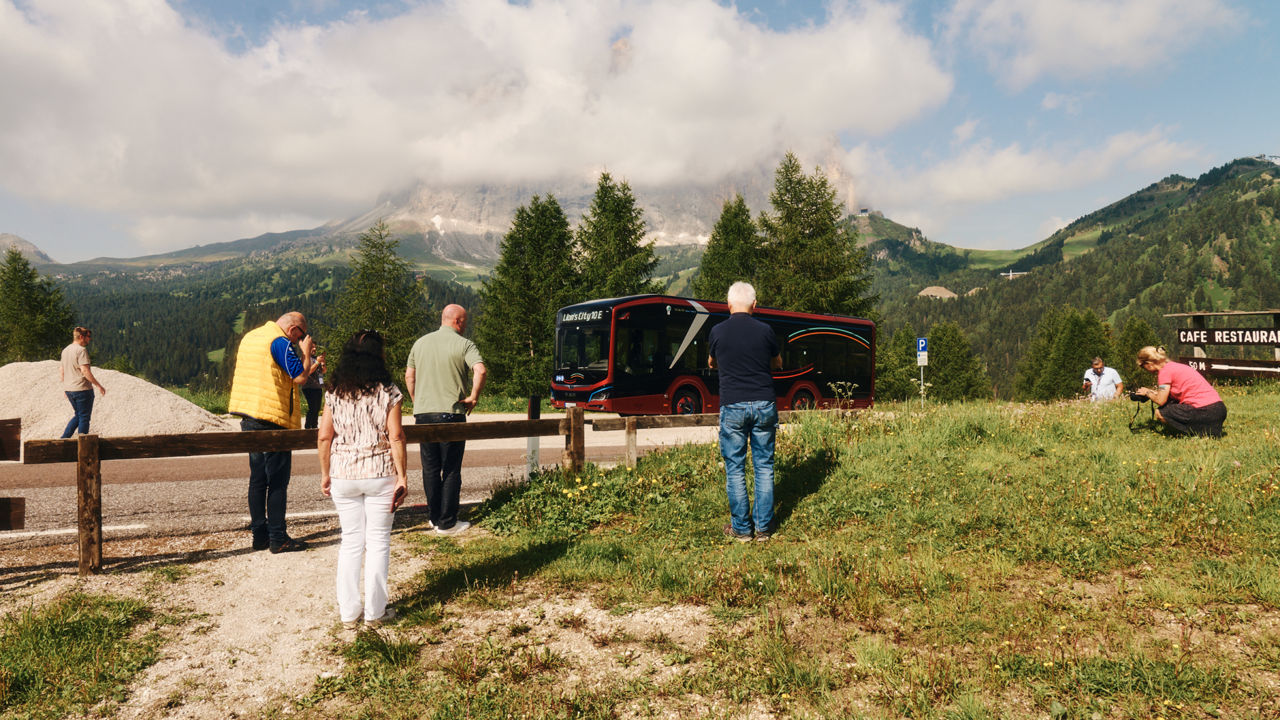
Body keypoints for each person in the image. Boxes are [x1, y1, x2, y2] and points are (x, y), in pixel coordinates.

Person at [317, 330, 408, 629]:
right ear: (377, 356)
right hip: (380, 472)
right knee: (378, 542)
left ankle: (348, 613)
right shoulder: (389, 392)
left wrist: (326, 473)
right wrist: (403, 476)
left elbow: (324, 437)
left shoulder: (333, 392)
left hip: (344, 473)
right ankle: (375, 612)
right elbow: (395, 436)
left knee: (351, 542)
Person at [228, 312, 323, 553]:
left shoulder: (251, 337)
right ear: (294, 331)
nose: (298, 340)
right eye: (299, 337)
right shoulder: (279, 342)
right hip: (273, 419)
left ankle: (259, 536)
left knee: (257, 479)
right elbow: (300, 376)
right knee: (278, 481)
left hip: (249, 415)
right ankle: (278, 538)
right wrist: (305, 352)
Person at [708, 282, 782, 542]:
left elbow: (711, 361)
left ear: (728, 305)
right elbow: (778, 363)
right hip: (763, 403)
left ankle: (741, 530)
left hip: (733, 405)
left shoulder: (717, 331)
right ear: (755, 304)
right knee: (763, 466)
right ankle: (763, 528)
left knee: (735, 468)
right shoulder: (766, 330)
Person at [405, 304, 486, 535]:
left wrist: (417, 399)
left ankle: (434, 517)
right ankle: (448, 522)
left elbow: (409, 375)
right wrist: (473, 397)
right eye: (465, 322)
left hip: (423, 414)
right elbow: (480, 370)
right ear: (459, 322)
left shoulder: (420, 343)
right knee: (450, 469)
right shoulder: (464, 344)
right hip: (452, 413)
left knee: (429, 468)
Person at [1133, 346, 1227, 437]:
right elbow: (1169, 394)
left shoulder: (1164, 372)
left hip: (1205, 410)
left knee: (1160, 412)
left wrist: (1147, 393)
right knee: (1171, 405)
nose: (1144, 370)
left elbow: (1161, 401)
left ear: (1149, 363)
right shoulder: (1175, 366)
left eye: (1143, 366)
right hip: (1219, 409)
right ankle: (1208, 430)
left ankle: (1189, 433)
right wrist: (1151, 392)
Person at [59, 327, 107, 438]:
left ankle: (64, 439)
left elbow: (62, 370)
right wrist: (98, 385)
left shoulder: (65, 350)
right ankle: (83, 445)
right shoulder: (81, 350)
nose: (90, 339)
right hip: (82, 389)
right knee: (84, 417)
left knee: (78, 415)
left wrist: (65, 387)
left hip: (70, 389)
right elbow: (85, 370)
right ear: (81, 337)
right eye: (88, 337)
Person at [302, 344, 326, 429]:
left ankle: (314, 426)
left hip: (318, 386)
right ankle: (308, 427)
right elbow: (309, 371)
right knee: (312, 408)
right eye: (312, 347)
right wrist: (317, 362)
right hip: (309, 387)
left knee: (317, 408)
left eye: (315, 347)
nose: (314, 349)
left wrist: (323, 363)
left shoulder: (317, 358)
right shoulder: (306, 358)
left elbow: (323, 371)